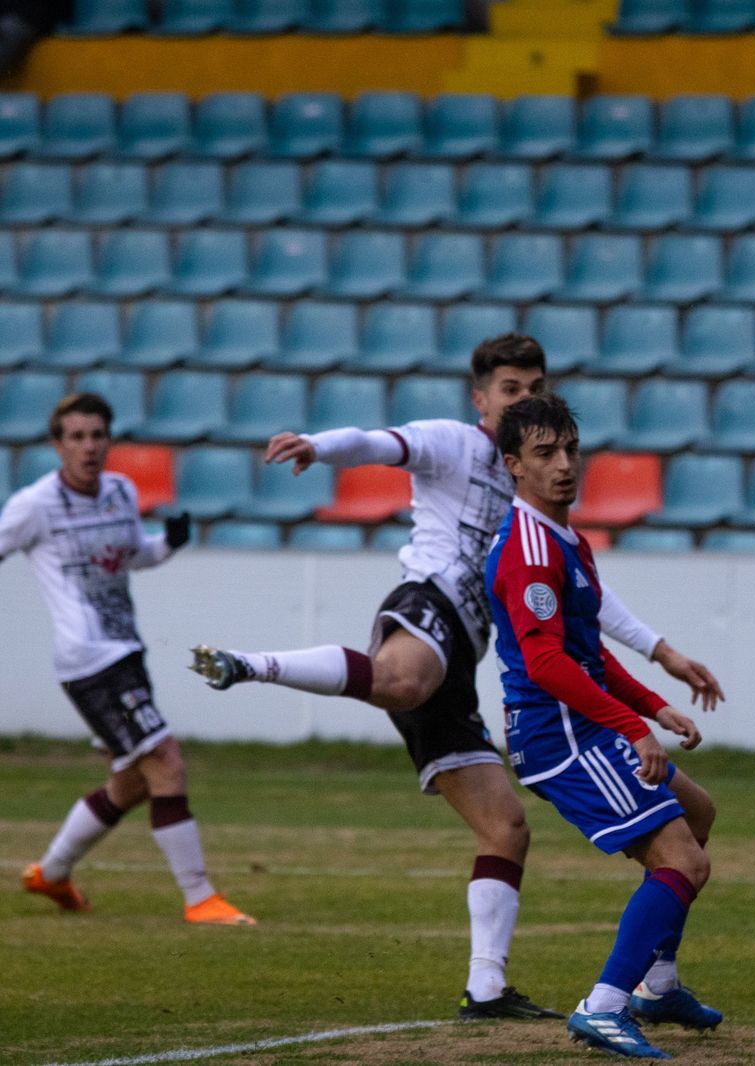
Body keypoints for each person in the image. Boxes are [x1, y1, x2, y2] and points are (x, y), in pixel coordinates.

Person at [188, 333, 723, 1020]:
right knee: (402, 680)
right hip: (427, 604)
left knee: (504, 827)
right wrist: (318, 446)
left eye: (534, 389)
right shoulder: (457, 444)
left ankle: (487, 989)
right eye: (510, 391)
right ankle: (250, 665)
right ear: (481, 400)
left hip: (462, 658)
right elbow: (380, 443)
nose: (524, 402)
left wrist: (661, 652)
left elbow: (586, 600)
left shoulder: (541, 494)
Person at [486, 393, 720, 1061]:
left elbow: (588, 652)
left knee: (697, 813)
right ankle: (605, 1005)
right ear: (513, 465)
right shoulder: (530, 549)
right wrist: (633, 727)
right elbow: (547, 662)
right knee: (683, 859)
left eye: (570, 450)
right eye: (545, 454)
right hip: (559, 738)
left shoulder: (568, 540)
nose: (564, 466)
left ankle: (658, 985)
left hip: (585, 726)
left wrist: (653, 705)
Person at [7, 393, 253, 925]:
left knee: (133, 782)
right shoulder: (35, 505)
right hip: (89, 660)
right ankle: (199, 897)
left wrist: (168, 543)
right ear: (57, 446)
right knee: (166, 760)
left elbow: (130, 555)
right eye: (76, 437)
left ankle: (51, 873)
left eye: (97, 435)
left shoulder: (120, 491)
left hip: (125, 652)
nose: (89, 446)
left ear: (109, 440)